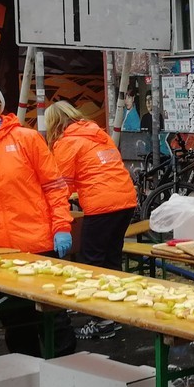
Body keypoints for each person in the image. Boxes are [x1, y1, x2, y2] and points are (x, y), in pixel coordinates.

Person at [0, 83, 75, 356]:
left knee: (53, 315)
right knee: (15, 322)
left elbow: (54, 186)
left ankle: (68, 373)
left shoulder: (26, 139)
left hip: (40, 244)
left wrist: (61, 226)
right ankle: (28, 375)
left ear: (2, 107)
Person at [45, 101, 138, 340]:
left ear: (54, 122)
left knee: (92, 261)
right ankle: (114, 312)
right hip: (125, 199)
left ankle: (101, 319)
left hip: (101, 204)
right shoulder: (98, 134)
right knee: (111, 257)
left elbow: (61, 183)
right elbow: (101, 167)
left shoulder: (67, 142)